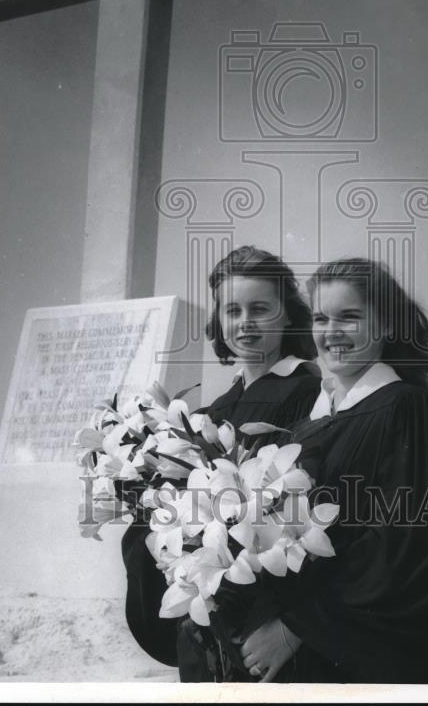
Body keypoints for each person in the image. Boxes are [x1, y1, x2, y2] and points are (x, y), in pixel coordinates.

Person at [239, 257, 428, 685]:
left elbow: (408, 549)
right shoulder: (308, 426)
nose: (331, 333)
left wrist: (298, 628)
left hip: (362, 660)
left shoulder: (412, 414)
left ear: (385, 326)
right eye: (322, 318)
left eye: (349, 317)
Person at [121, 245, 322, 676]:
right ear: (219, 321)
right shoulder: (216, 410)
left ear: (288, 316)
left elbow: (319, 511)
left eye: (260, 308)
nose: (245, 322)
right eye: (233, 310)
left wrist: (292, 626)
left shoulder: (308, 394)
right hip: (216, 613)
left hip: (271, 624)